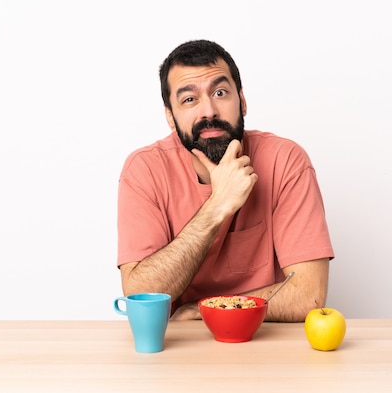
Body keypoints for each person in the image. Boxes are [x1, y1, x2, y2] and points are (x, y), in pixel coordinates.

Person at [117, 40, 334, 322]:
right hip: (181, 352)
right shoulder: (144, 169)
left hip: (269, 346)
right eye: (189, 99)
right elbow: (140, 298)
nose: (209, 111)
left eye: (220, 92)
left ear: (242, 101)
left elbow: (309, 295)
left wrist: (205, 310)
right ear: (170, 117)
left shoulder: (285, 160)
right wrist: (217, 206)